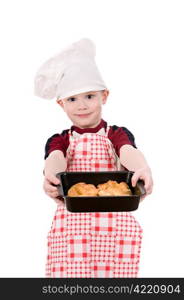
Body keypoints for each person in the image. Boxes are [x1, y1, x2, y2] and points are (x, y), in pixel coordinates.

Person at [34, 38, 153, 278]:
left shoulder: (115, 134)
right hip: (73, 231)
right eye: (72, 99)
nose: (82, 106)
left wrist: (143, 168)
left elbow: (127, 151)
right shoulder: (61, 140)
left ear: (104, 96)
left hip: (114, 229)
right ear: (61, 104)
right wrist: (51, 176)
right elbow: (55, 158)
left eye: (89, 96)